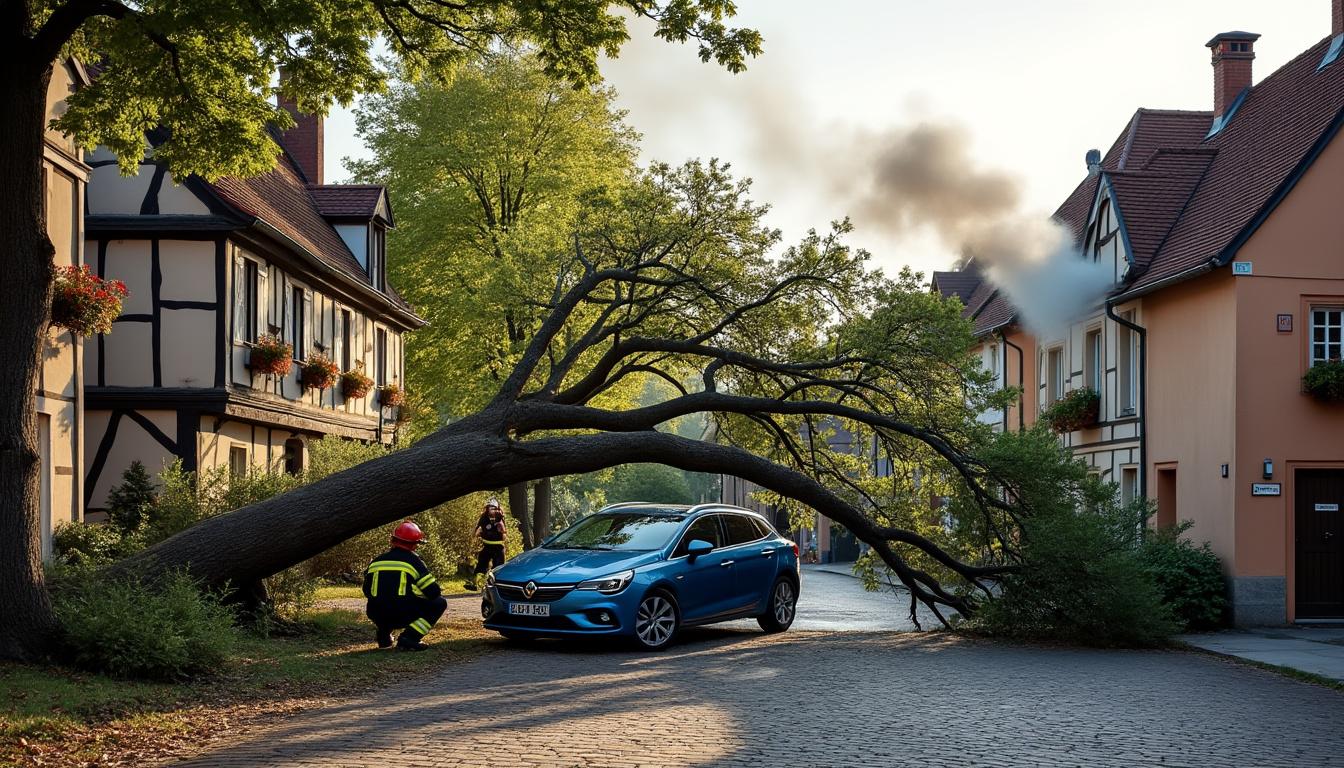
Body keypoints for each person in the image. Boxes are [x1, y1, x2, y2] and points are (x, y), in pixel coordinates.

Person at [363, 521, 446, 652]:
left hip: (375, 613)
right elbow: (433, 592)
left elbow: (367, 591)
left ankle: (384, 636)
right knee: (439, 603)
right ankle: (410, 637)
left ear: (392, 540)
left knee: (382, 601)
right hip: (402, 614)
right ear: (414, 544)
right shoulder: (414, 561)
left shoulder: (376, 561)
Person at [465, 498, 508, 591]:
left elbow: (504, 534)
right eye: (490, 508)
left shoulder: (500, 517)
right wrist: (476, 534)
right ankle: (475, 584)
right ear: (487, 508)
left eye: (494, 508)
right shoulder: (484, 517)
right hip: (487, 547)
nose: (492, 510)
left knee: (498, 568)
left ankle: (497, 587)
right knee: (481, 565)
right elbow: (477, 529)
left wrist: (501, 529)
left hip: (498, 548)